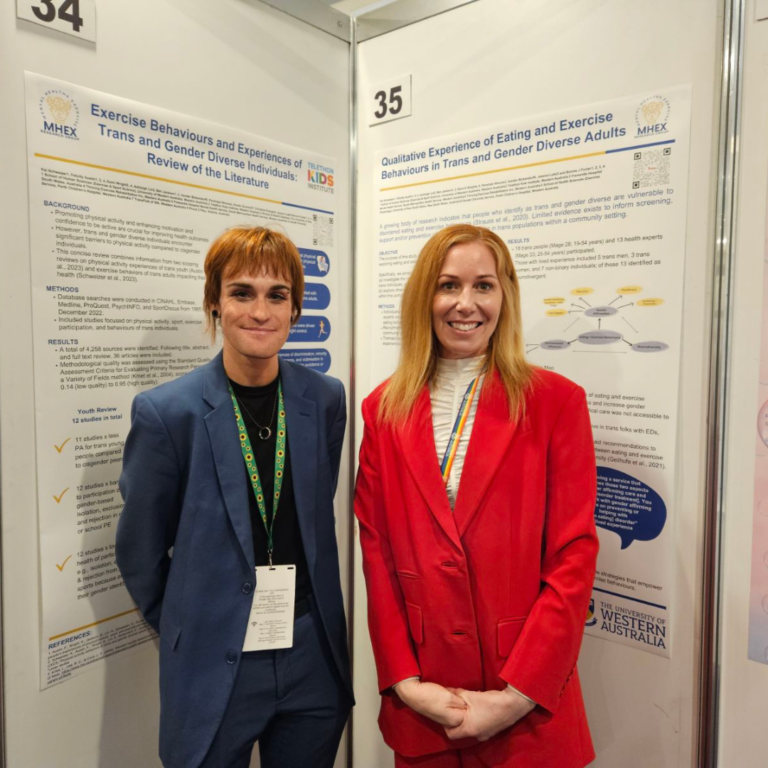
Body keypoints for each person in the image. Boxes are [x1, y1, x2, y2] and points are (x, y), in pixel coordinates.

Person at [354, 224, 598, 768]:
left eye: (483, 286)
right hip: (427, 700)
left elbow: (573, 555)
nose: (466, 304)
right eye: (448, 285)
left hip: (527, 701)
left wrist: (518, 694)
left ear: (504, 295)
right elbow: (377, 553)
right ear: (425, 297)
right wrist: (404, 682)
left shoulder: (555, 402)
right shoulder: (382, 411)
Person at [116, 226, 353, 768]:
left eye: (277, 295)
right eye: (241, 292)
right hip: (214, 658)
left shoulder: (324, 398)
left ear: (295, 308)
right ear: (215, 304)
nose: (260, 312)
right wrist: (191, 625)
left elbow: (315, 512)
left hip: (310, 653)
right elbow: (140, 552)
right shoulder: (167, 413)